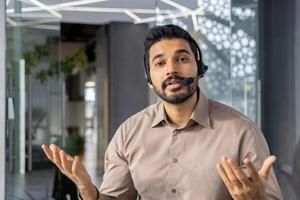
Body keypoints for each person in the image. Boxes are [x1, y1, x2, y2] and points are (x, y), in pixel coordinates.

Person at [42, 24, 283, 200]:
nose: (171, 70)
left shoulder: (241, 131)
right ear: (149, 80)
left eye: (182, 59)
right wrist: (89, 192)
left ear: (199, 69)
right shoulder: (129, 133)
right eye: (160, 63)